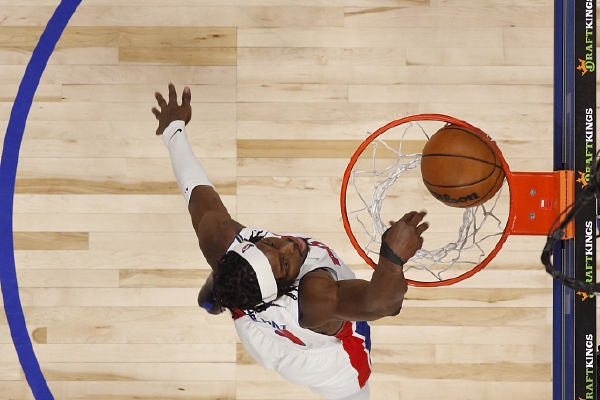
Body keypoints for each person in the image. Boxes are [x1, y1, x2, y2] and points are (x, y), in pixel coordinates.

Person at [152, 83, 429, 400]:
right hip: (327, 366)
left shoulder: (220, 239)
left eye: (269, 245)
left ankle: (221, 293)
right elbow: (380, 304)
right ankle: (220, 295)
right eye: (285, 263)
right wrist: (393, 257)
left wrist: (173, 129)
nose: (288, 246)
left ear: (246, 247)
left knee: (231, 276)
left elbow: (193, 187)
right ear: (286, 285)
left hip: (254, 320)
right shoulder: (314, 298)